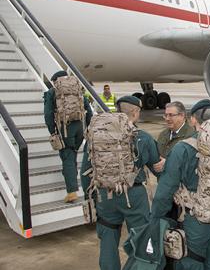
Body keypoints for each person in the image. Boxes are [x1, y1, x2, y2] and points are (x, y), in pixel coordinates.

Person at [81, 95, 163, 270]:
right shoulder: (143, 137)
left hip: (104, 194)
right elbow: (157, 169)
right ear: (135, 112)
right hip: (133, 196)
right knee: (140, 239)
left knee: (108, 239)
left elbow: (84, 171)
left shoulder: (97, 136)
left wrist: (91, 197)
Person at [151, 99, 210, 270]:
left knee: (191, 263)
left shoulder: (184, 148)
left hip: (196, 222)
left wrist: (155, 218)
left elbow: (165, 191)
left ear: (193, 120)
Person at [43, 70, 92, 203]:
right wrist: (89, 127)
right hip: (80, 129)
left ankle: (72, 192)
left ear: (56, 81)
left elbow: (48, 115)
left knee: (67, 157)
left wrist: (52, 131)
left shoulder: (53, 92)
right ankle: (74, 182)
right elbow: (89, 111)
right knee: (73, 154)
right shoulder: (77, 90)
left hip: (66, 129)